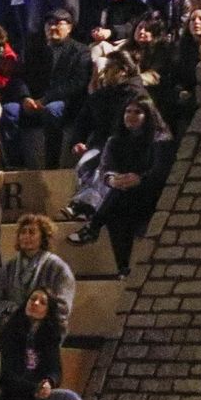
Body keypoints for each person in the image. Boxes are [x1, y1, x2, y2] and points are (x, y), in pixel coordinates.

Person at [69, 94, 174, 275]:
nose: (131, 115)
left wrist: (139, 179)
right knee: (118, 205)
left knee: (119, 198)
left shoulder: (160, 140)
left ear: (148, 116)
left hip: (151, 193)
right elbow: (105, 169)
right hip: (124, 194)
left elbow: (160, 172)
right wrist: (112, 179)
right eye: (128, 111)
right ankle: (123, 268)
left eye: (137, 112)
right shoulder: (115, 141)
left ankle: (93, 227)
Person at [17, 8, 89, 170]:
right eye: (49, 24)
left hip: (66, 102)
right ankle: (16, 164)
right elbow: (20, 76)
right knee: (9, 111)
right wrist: (25, 97)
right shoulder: (35, 50)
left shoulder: (81, 51)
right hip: (34, 100)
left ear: (69, 27)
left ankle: (51, 166)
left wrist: (45, 100)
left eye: (58, 24)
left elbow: (77, 83)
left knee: (52, 110)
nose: (52, 28)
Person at [0, 214, 75, 324]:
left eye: (32, 232)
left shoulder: (58, 267)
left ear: (43, 237)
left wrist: (37, 311)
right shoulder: (9, 266)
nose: (26, 236)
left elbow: (63, 306)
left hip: (46, 327)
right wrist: (15, 311)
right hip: (13, 324)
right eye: (23, 232)